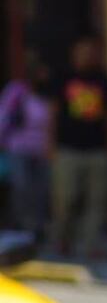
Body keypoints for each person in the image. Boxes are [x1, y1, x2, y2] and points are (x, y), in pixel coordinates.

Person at [48, 36, 107, 258]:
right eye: (82, 51)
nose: (87, 55)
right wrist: (50, 145)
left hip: (97, 148)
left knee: (96, 201)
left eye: (90, 51)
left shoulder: (103, 79)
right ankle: (63, 239)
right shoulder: (63, 78)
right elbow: (53, 113)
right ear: (74, 53)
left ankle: (91, 245)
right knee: (66, 199)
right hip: (68, 148)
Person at [0, 57, 52, 241]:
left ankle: (36, 227)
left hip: (41, 149)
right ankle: (21, 225)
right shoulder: (17, 91)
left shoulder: (48, 95)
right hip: (19, 148)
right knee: (21, 187)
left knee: (39, 190)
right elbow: (4, 116)